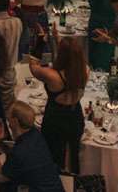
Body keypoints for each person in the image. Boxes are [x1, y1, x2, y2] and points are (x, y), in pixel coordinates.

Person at [29, 32, 88, 173]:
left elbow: (33, 65)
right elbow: (69, 59)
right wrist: (58, 40)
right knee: (73, 154)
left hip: (55, 118)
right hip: (75, 117)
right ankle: (73, 179)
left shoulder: (52, 76)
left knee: (53, 155)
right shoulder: (85, 70)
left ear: (62, 55)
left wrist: (40, 42)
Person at [0, 101, 62, 192]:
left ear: (15, 121)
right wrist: (0, 142)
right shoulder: (36, 134)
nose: (8, 124)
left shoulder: (20, 151)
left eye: (8, 119)